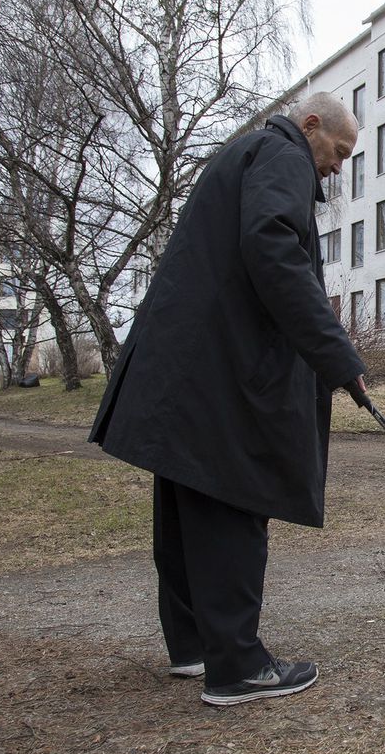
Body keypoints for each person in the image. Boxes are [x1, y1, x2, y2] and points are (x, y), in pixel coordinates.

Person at [89, 93, 366, 706]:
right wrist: (337, 357)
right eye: (339, 152)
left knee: (188, 495)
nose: (338, 167)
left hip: (184, 366)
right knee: (233, 494)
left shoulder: (243, 152)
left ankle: (194, 645)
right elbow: (274, 251)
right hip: (218, 369)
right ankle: (238, 665)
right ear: (311, 126)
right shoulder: (282, 154)